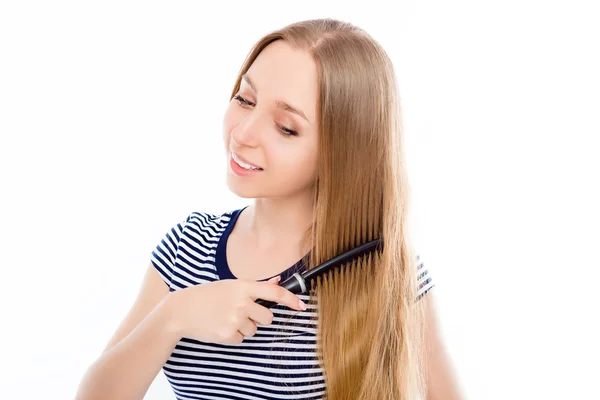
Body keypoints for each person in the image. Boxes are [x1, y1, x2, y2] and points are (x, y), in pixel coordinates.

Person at [75, 18, 462, 400]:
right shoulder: (187, 247)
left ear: (343, 153)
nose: (243, 134)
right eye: (245, 99)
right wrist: (174, 315)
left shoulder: (388, 273)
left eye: (286, 128)